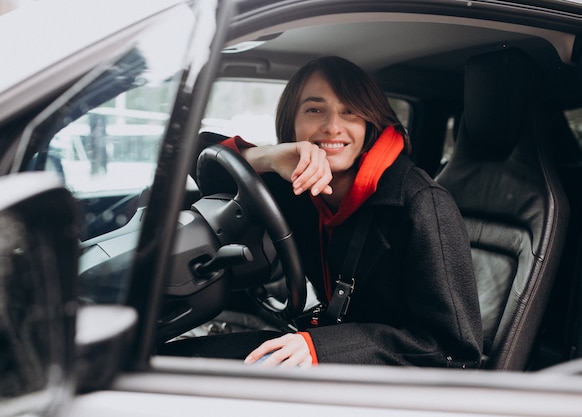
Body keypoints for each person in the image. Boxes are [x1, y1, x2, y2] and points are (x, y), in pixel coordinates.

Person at [175, 56, 483, 368]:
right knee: (174, 360)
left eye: (350, 111)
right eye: (314, 109)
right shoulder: (298, 184)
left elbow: (453, 350)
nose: (332, 127)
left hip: (387, 380)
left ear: (369, 123)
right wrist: (267, 157)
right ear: (291, 121)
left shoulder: (421, 204)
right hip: (332, 349)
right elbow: (195, 158)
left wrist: (321, 348)